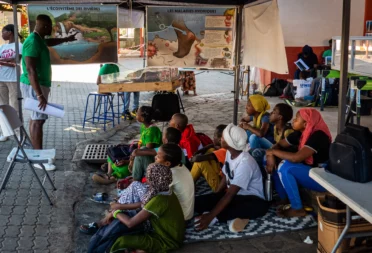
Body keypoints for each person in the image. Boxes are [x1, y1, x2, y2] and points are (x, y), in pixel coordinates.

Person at [20, 14, 76, 171]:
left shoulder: (38, 39)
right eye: (50, 27)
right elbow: (30, 70)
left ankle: (36, 153)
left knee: (36, 119)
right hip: (34, 86)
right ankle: (39, 159)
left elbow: (49, 42)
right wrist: (39, 95)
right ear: (44, 26)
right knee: (38, 120)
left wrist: (66, 39)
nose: (52, 30)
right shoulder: (32, 42)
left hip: (39, 85)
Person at [194, 124, 269, 233]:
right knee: (199, 202)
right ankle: (235, 219)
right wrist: (215, 196)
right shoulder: (230, 153)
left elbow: (230, 194)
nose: (220, 139)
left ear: (230, 143)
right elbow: (225, 175)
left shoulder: (245, 163)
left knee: (230, 208)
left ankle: (222, 217)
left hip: (253, 200)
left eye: (223, 137)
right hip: (236, 196)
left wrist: (210, 216)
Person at [266, 109, 331, 218]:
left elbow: (296, 158)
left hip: (323, 177)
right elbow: (279, 145)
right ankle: (284, 198)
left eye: (296, 119)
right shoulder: (301, 133)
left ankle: (297, 208)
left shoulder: (319, 136)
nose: (293, 121)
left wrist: (272, 152)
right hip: (309, 171)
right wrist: (270, 155)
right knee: (274, 160)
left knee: (286, 168)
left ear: (306, 124)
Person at [94, 106, 162, 185]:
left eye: (137, 114)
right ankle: (109, 173)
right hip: (138, 152)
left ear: (142, 119)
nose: (135, 115)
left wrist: (128, 161)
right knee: (113, 151)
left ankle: (112, 177)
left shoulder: (152, 131)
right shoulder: (144, 126)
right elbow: (141, 145)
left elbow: (146, 153)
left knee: (124, 168)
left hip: (145, 158)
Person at [0, 24, 23, 141]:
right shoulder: (2, 47)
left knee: (14, 107)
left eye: (3, 32)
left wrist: (3, 61)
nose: (2, 34)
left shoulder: (20, 46)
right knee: (2, 106)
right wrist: (8, 61)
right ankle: (5, 132)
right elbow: (11, 61)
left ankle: (18, 133)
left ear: (9, 33)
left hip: (14, 79)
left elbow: (17, 60)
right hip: (1, 79)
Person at [190, 124, 227, 192]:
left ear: (219, 140)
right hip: (220, 177)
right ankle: (192, 182)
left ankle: (189, 184)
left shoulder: (222, 152)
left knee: (200, 163)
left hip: (220, 187)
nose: (213, 138)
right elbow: (212, 145)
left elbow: (198, 159)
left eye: (214, 136)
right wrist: (201, 150)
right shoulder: (227, 147)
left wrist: (192, 158)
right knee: (211, 149)